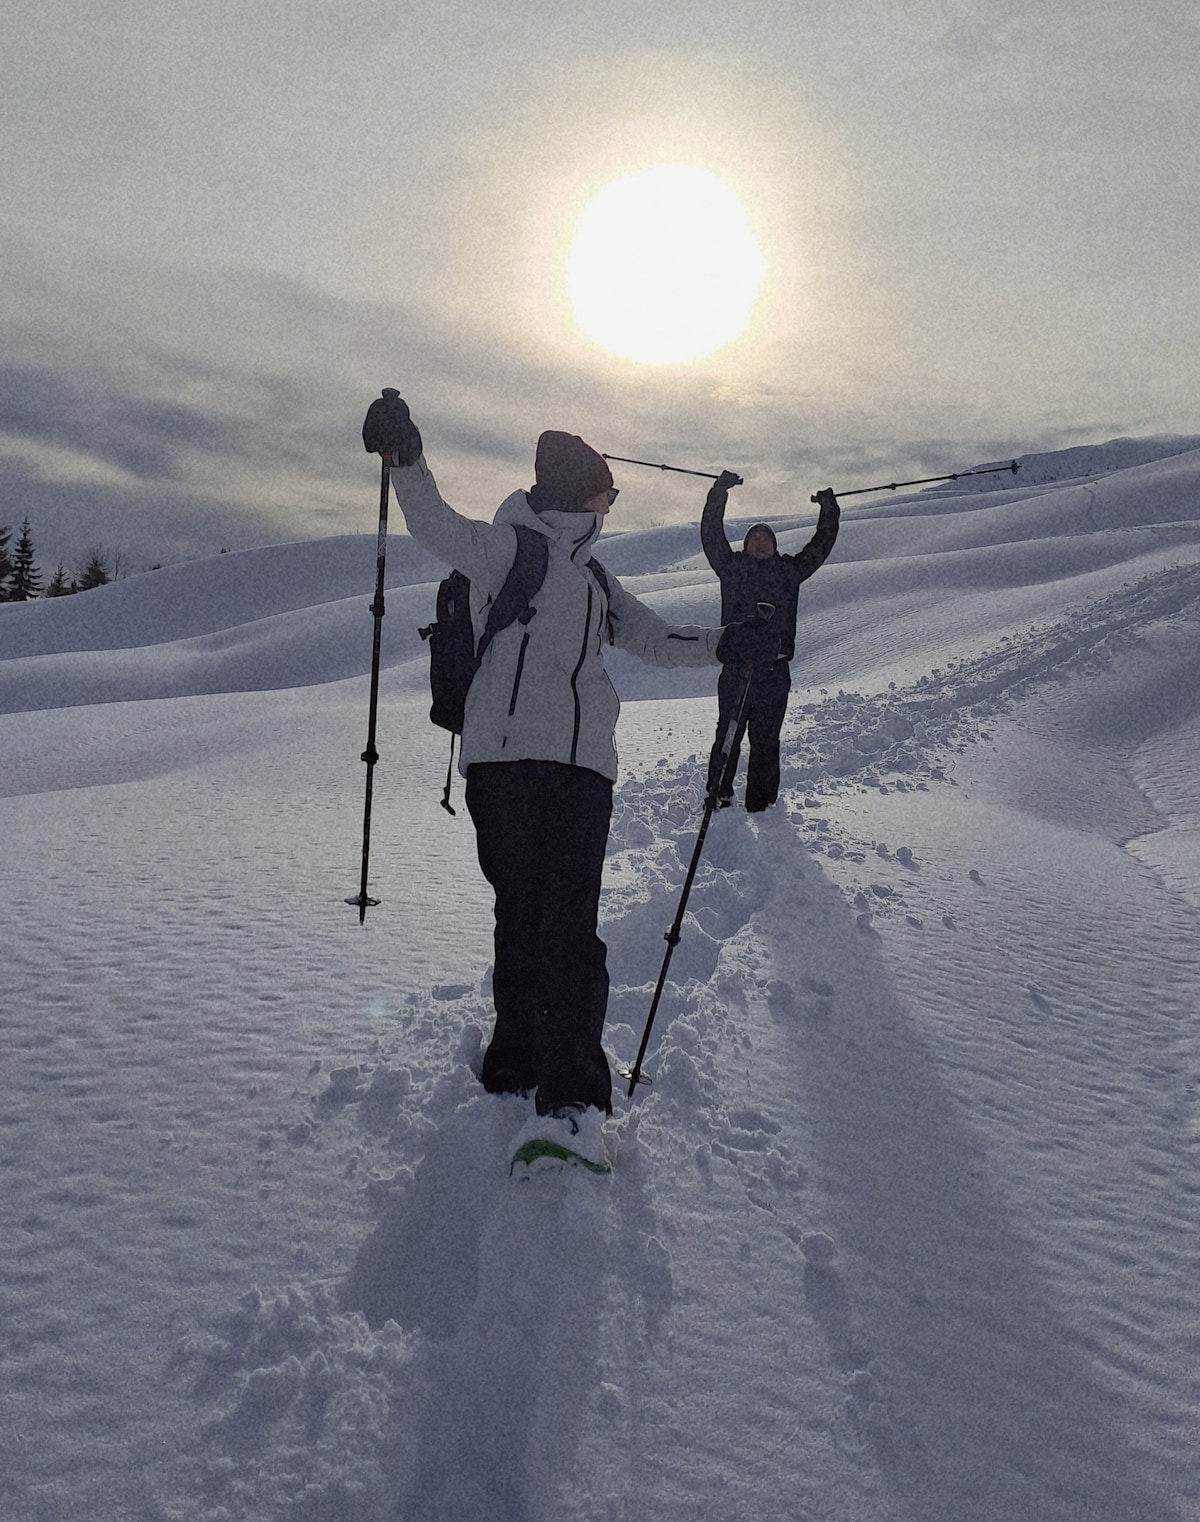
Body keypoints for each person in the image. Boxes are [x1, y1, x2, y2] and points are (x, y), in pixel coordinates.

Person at [363, 393, 740, 1164]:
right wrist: (407, 459)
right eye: (608, 490)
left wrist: (729, 643)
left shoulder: (596, 580)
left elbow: (655, 638)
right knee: (533, 920)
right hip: (505, 766)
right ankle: (554, 1091)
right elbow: (436, 525)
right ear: (581, 491)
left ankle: (542, 1078)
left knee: (555, 924)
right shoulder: (510, 549)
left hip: (582, 772)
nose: (613, 501)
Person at [701, 471, 841, 812]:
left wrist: (828, 509)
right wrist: (719, 491)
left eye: (767, 539)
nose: (761, 543)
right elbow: (711, 535)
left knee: (765, 739)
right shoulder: (731, 568)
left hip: (774, 672)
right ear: (746, 545)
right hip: (736, 668)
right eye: (755, 538)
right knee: (728, 733)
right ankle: (718, 794)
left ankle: (762, 804)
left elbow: (820, 547)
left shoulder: (787, 572)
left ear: (775, 546)